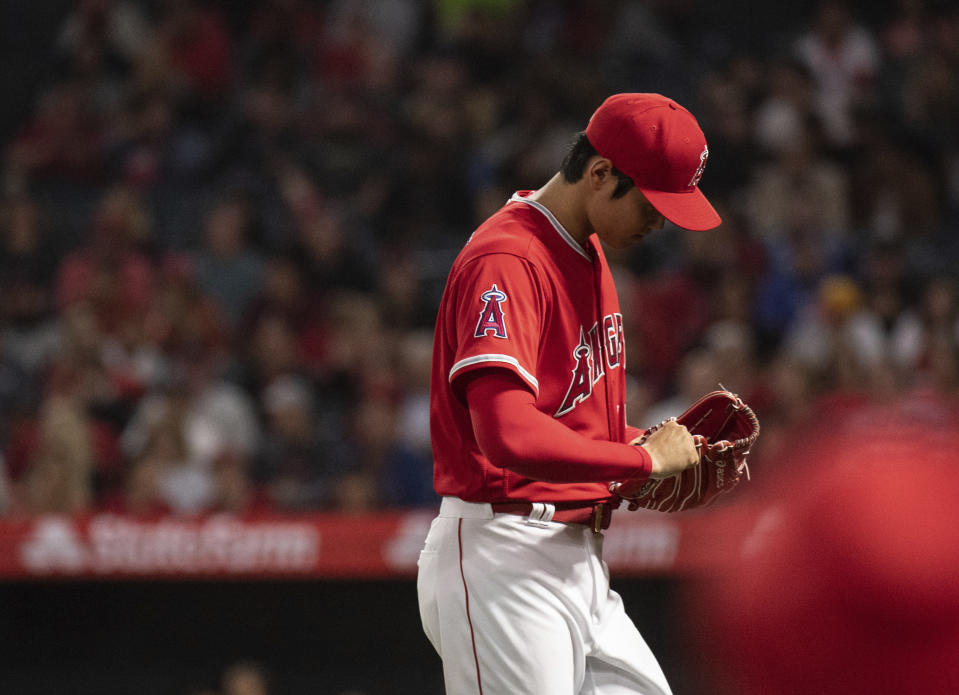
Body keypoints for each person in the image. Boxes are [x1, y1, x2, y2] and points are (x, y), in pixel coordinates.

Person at [417, 93, 722, 695]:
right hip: (502, 556)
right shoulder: (508, 258)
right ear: (601, 173)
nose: (660, 223)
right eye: (653, 203)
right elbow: (505, 434)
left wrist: (654, 452)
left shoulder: (585, 250)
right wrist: (639, 460)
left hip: (576, 557)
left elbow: (566, 424)